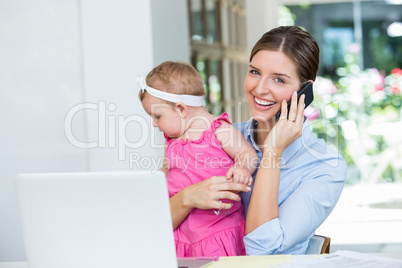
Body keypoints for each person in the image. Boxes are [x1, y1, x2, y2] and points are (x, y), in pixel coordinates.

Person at [168, 26, 348, 255]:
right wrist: (187, 198)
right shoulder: (221, 137)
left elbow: (262, 250)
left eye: (279, 80)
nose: (260, 89)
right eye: (254, 72)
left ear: (305, 92)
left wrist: (272, 152)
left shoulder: (325, 166)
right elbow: (151, 227)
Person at [138, 61, 259, 257]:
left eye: (157, 116)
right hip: (182, 232)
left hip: (217, 229)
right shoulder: (172, 139)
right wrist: (156, 178)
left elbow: (247, 154)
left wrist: (243, 168)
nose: (154, 124)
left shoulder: (219, 130)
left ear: (181, 109)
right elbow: (167, 169)